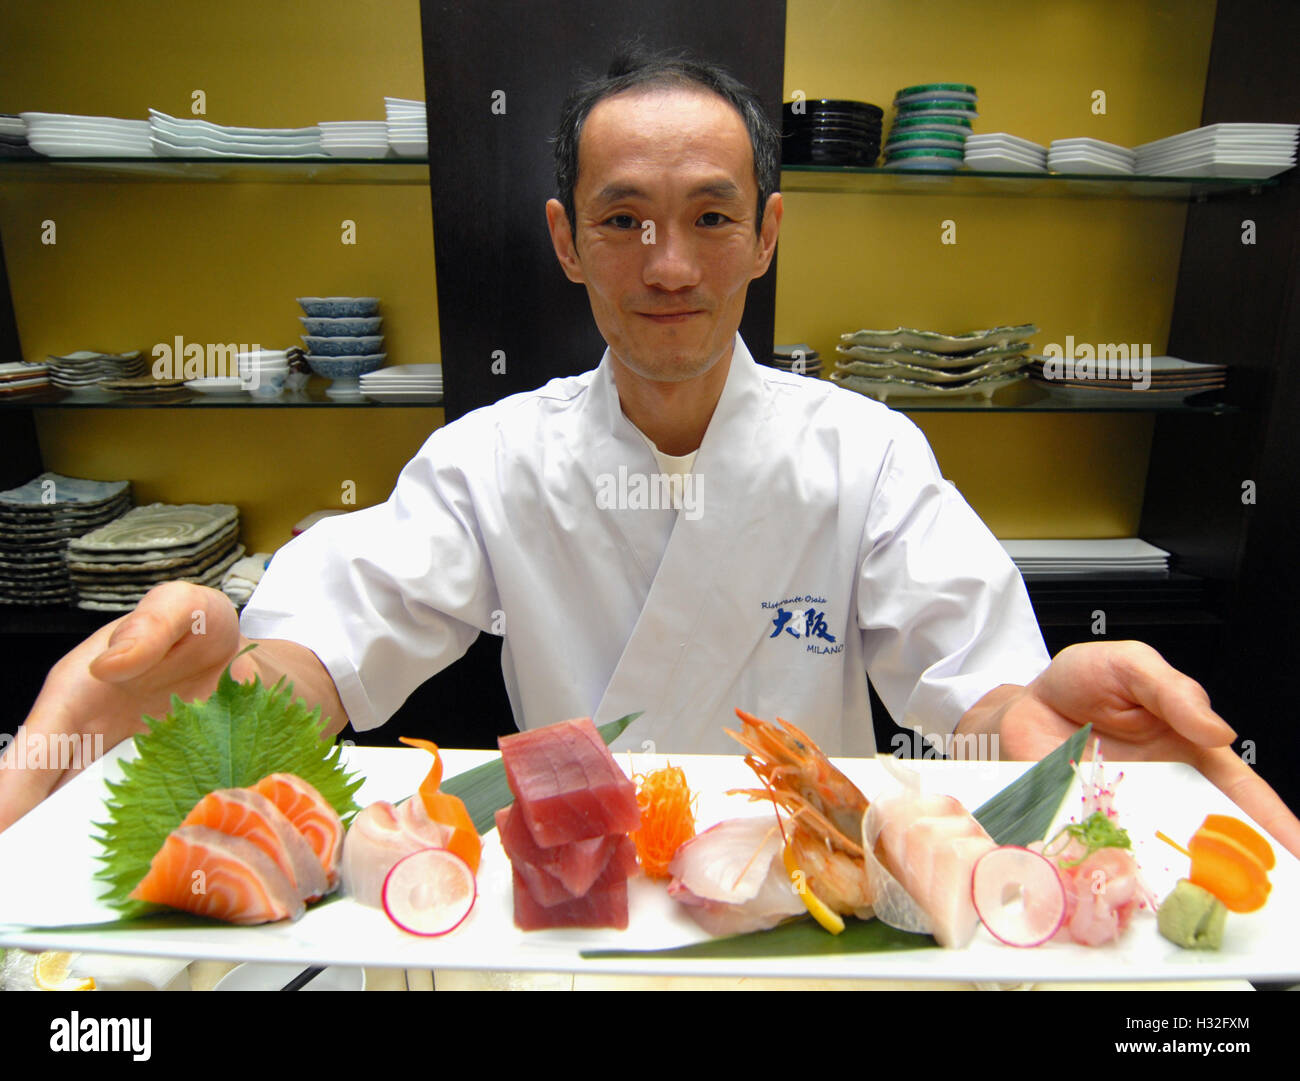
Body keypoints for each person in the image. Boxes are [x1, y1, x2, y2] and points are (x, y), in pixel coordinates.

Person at [2, 51, 1298, 860]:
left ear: (766, 232)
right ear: (568, 239)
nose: (668, 264)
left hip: (809, 885)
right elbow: (340, 637)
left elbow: (981, 690)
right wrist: (219, 718)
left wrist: (1040, 730)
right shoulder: (493, 459)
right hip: (578, 887)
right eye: (624, 218)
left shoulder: (868, 451)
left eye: (708, 215)